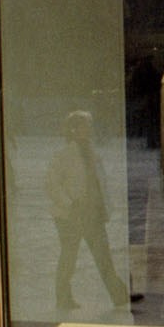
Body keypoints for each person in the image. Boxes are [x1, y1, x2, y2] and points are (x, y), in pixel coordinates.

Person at [45, 109, 130, 312]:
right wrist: (69, 203)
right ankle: (63, 298)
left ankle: (120, 297)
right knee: (69, 258)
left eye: (89, 125)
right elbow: (51, 184)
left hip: (93, 214)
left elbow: (100, 184)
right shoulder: (64, 154)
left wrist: (104, 207)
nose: (89, 129)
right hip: (70, 216)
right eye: (84, 126)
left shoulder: (93, 153)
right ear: (73, 130)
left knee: (103, 257)